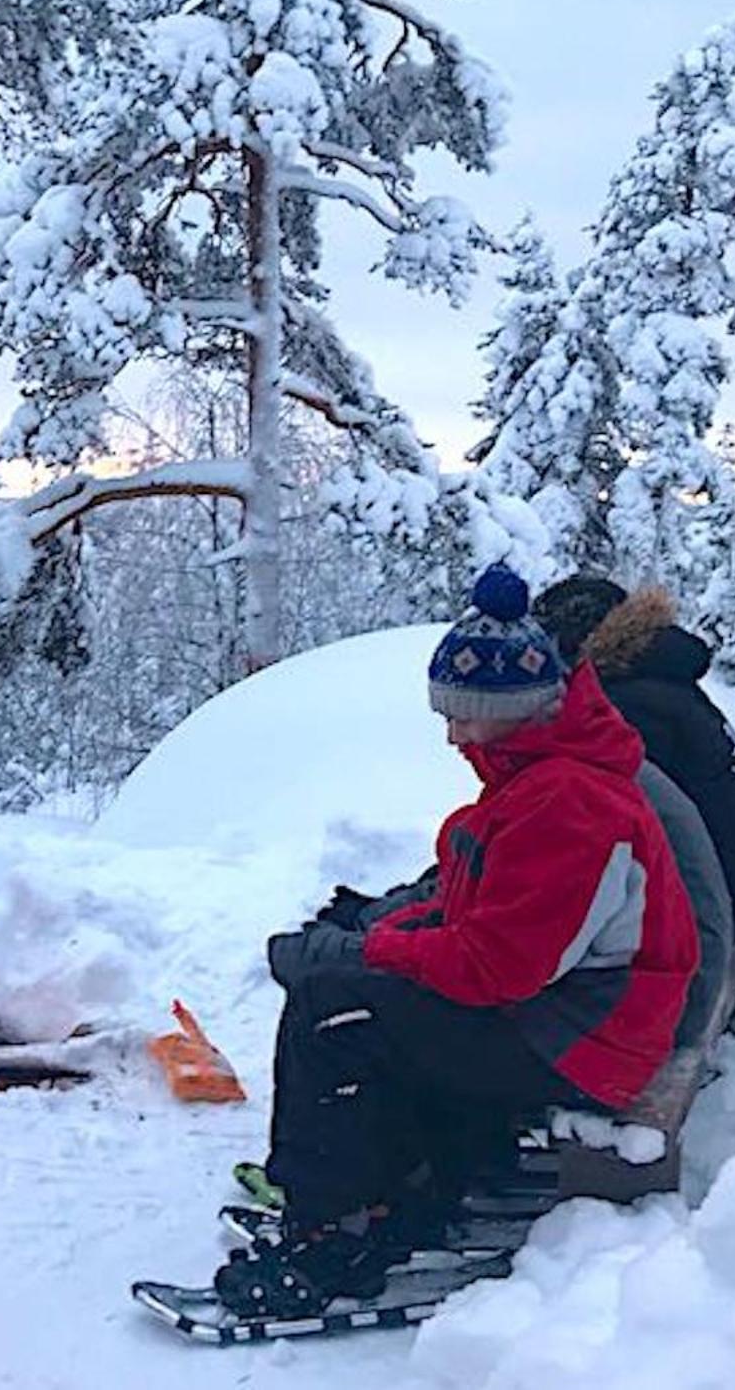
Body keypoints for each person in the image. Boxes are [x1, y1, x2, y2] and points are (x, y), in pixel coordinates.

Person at [216, 564, 697, 1320]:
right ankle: (411, 1184)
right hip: (577, 1014)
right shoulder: (541, 774)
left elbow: (493, 967)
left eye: (461, 715)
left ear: (508, 709)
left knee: (335, 1017)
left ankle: (328, 1235)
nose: (449, 734)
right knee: (375, 997)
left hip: (591, 1040)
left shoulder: (567, 799)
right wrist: (377, 932)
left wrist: (361, 955)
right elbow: (475, 908)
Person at [532, 577, 735, 935]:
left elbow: (599, 832)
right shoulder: (658, 684)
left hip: (700, 917)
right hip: (731, 890)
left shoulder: (629, 707)